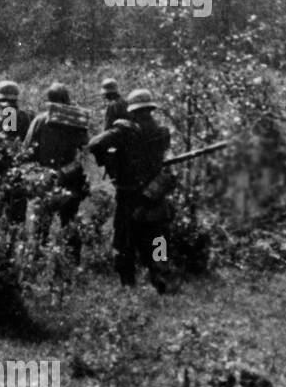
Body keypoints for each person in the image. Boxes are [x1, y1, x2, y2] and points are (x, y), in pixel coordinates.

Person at [87, 88, 174, 292]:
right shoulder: (162, 132)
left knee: (125, 238)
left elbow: (94, 144)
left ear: (132, 110)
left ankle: (128, 283)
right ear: (151, 109)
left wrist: (110, 160)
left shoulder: (123, 131)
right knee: (158, 235)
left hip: (129, 193)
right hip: (155, 192)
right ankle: (159, 270)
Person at [22, 83, 91, 262]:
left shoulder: (39, 120)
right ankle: (73, 262)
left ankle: (36, 262)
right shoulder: (76, 122)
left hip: (45, 179)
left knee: (41, 225)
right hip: (70, 178)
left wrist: (34, 175)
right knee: (70, 221)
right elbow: (85, 151)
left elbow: (27, 150)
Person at [0, 80, 34, 228]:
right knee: (15, 214)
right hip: (19, 168)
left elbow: (7, 140)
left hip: (2, 168)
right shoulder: (26, 116)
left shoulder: (5, 115)